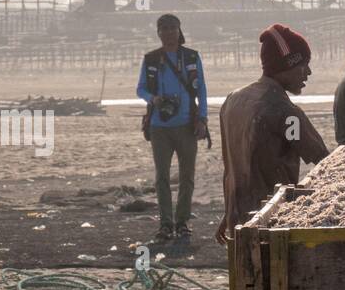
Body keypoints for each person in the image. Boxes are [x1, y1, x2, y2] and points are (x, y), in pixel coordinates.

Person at [214, 24, 328, 243]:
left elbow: (231, 166)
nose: (308, 72)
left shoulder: (233, 100)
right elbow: (323, 159)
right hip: (268, 224)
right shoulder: (283, 111)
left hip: (237, 220)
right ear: (287, 65)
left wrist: (229, 211)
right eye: (303, 65)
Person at [137, 14, 209, 243]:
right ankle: (166, 224)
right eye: (164, 28)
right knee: (162, 178)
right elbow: (140, 89)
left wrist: (203, 119)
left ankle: (183, 222)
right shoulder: (151, 60)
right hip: (160, 127)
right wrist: (154, 99)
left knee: (187, 176)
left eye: (172, 28)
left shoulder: (190, 57)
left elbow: (202, 91)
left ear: (179, 30)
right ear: (158, 32)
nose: (168, 32)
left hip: (187, 125)